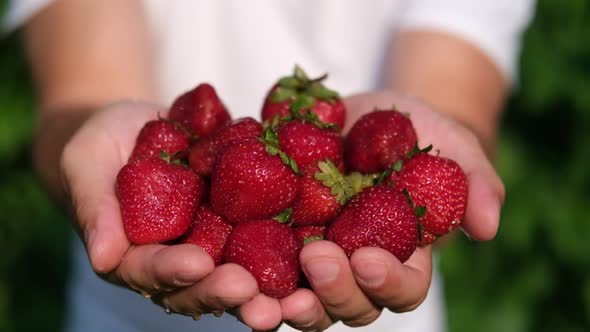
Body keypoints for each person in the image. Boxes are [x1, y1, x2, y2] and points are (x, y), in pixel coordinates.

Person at [4, 0, 534, 331]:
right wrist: (88, 135)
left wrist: (411, 175)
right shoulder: (216, 169)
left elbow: (455, 96)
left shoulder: (326, 183)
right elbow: (81, 92)